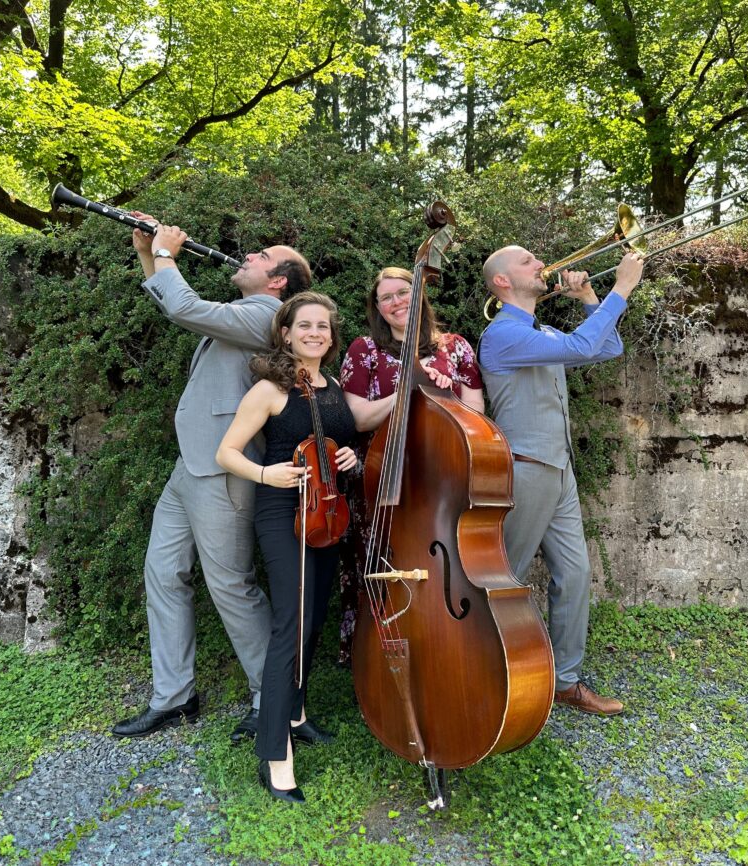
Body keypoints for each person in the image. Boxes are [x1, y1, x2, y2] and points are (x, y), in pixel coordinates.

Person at [110, 215, 311, 742]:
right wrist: (148, 252)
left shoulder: (268, 315)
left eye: (261, 256)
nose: (247, 257)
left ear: (278, 281)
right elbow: (177, 303)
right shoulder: (245, 310)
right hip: (190, 463)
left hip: (225, 466)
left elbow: (184, 308)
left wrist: (169, 254)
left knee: (231, 586)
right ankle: (175, 698)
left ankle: (275, 699)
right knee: (163, 572)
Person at [478, 246, 644, 715]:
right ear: (503, 283)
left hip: (560, 469)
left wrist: (591, 296)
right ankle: (482, 667)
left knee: (574, 575)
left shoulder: (541, 330)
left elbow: (608, 346)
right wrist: (621, 288)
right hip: (528, 469)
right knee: (504, 578)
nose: (541, 265)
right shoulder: (502, 335)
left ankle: (565, 680)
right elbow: (584, 345)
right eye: (528, 261)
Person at [216, 292, 357, 804]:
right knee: (290, 626)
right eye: (305, 325)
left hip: (327, 512)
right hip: (283, 512)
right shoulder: (272, 389)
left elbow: (346, 443)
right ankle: (275, 753)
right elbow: (226, 451)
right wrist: (264, 472)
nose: (315, 332)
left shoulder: (334, 386)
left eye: (323, 325)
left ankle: (295, 713)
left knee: (315, 616)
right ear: (287, 333)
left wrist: (349, 460)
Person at [337, 266, 483, 662]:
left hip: (443, 480)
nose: (396, 302)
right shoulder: (363, 349)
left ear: (420, 295)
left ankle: (445, 649)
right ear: (378, 308)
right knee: (382, 563)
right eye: (386, 298)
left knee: (444, 568)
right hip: (382, 481)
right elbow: (360, 418)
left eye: (403, 292)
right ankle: (374, 660)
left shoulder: (456, 348)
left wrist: (442, 392)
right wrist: (408, 388)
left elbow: (478, 420)